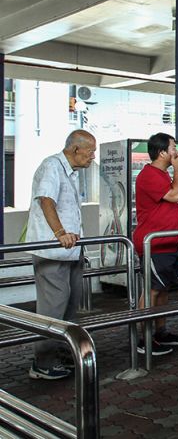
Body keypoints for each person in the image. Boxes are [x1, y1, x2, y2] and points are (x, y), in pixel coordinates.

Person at [26, 130, 96, 380]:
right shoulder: (51, 166)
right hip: (53, 251)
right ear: (76, 149)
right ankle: (42, 363)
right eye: (90, 151)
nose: (92, 157)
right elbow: (46, 200)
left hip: (71, 251)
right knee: (52, 308)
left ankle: (63, 353)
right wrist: (60, 232)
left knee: (69, 305)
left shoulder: (72, 173)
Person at [132, 133, 178, 356]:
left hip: (170, 242)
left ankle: (160, 332)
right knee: (152, 290)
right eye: (173, 147)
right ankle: (144, 338)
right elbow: (175, 196)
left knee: (163, 289)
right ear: (162, 152)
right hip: (154, 244)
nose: (177, 152)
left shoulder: (163, 174)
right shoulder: (150, 175)